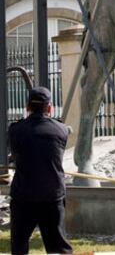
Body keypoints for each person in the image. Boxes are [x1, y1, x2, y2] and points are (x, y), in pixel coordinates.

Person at [8, 86, 72, 255]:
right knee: (58, 248)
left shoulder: (15, 130)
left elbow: (15, 152)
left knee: (19, 246)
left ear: (27, 107)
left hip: (23, 197)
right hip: (52, 197)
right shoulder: (62, 130)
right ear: (49, 107)